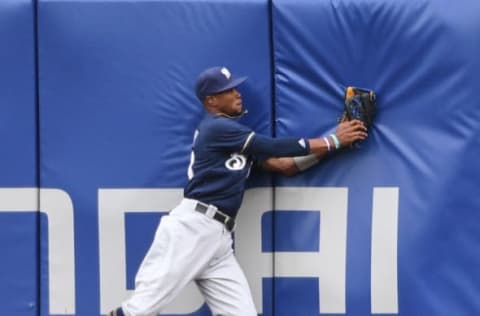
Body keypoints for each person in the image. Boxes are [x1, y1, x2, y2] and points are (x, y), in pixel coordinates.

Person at [109, 66, 367, 316]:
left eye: (235, 88)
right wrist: (333, 140)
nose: (237, 93)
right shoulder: (217, 128)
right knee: (138, 310)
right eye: (228, 90)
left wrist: (336, 143)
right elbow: (275, 147)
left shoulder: (233, 137)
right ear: (211, 100)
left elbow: (285, 165)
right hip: (192, 228)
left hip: (218, 238)